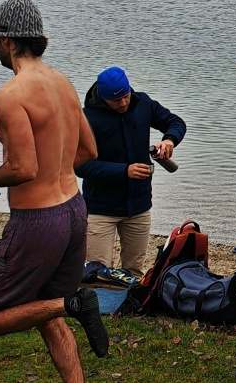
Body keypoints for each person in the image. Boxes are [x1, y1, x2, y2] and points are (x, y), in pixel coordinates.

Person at [0, 0, 107, 383]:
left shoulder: (11, 94)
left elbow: (23, 169)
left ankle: (74, 302)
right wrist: (57, 167)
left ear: (5, 40)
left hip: (38, 220)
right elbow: (89, 152)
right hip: (73, 208)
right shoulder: (64, 83)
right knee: (46, 314)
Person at [77, 66, 186, 278]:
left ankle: (128, 308)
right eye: (116, 101)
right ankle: (99, 308)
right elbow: (80, 167)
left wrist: (169, 139)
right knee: (97, 271)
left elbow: (176, 122)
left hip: (139, 205)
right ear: (103, 97)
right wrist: (124, 171)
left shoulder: (143, 103)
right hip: (100, 208)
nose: (124, 103)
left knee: (134, 271)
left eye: (126, 96)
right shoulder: (86, 118)